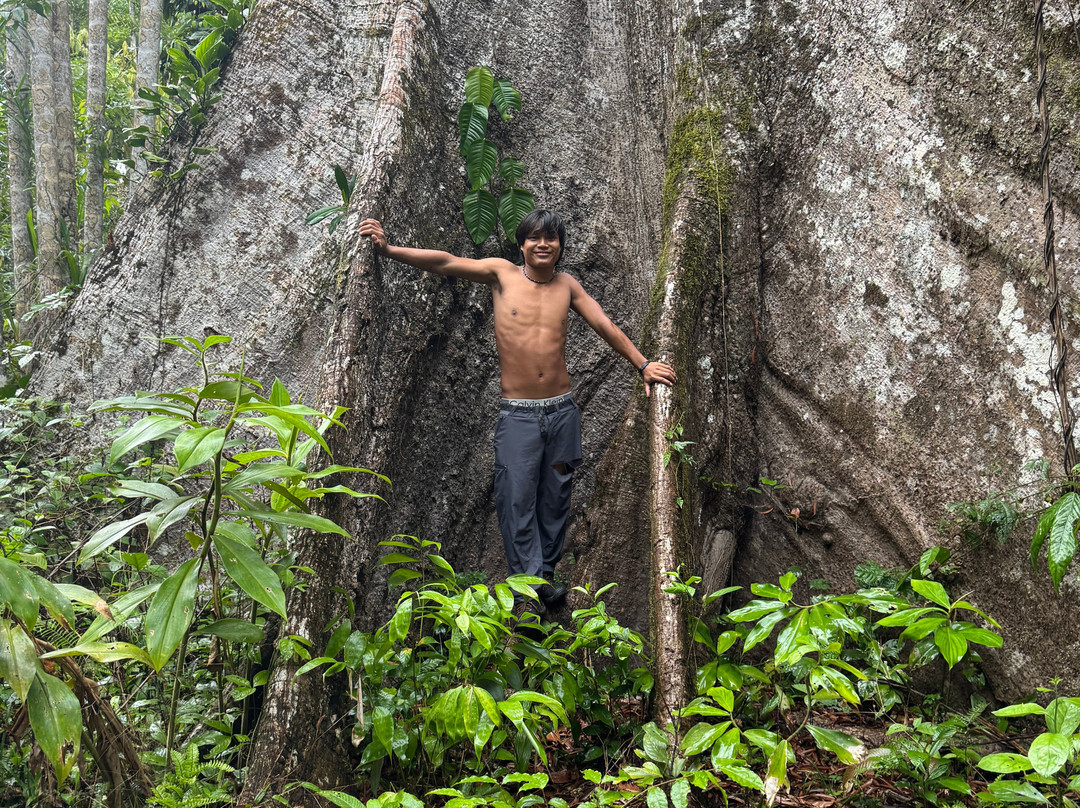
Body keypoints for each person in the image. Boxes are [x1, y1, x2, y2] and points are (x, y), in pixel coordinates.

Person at [358, 210, 676, 615]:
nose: (543, 244)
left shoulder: (567, 286)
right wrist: (387, 250)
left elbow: (605, 325)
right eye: (534, 238)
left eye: (551, 239)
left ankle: (543, 574)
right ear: (522, 244)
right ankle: (529, 582)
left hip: (562, 412)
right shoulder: (501, 275)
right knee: (515, 498)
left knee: (556, 497)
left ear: (560, 246)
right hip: (519, 415)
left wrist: (643, 364)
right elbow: (444, 261)